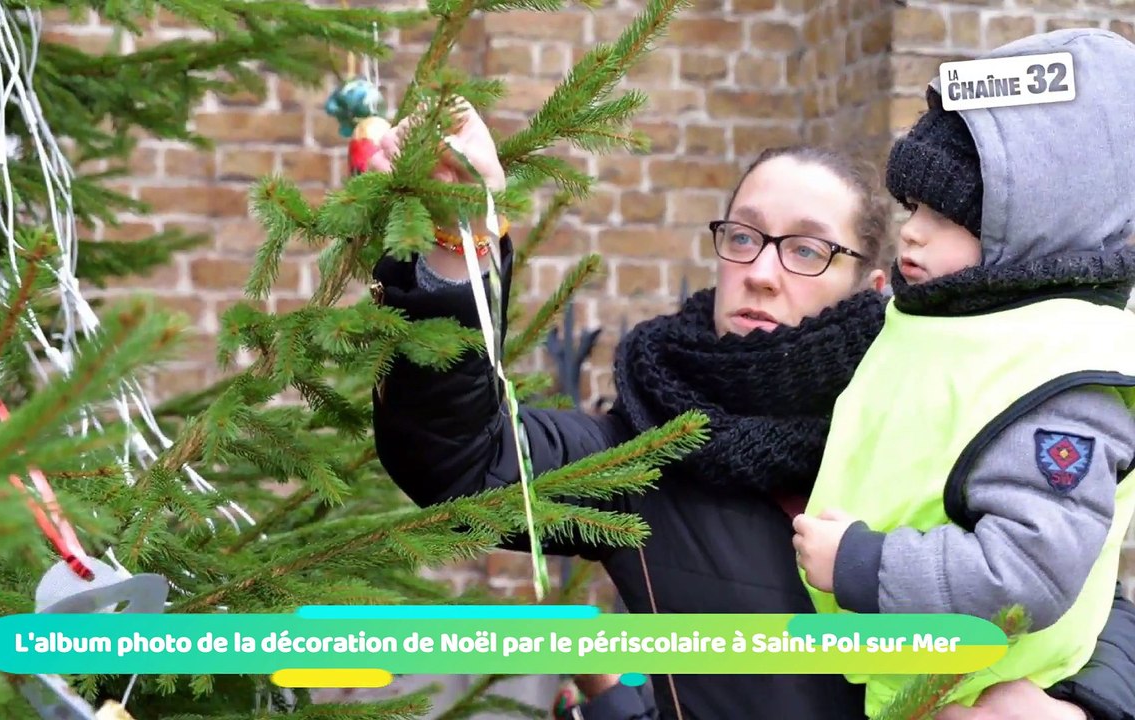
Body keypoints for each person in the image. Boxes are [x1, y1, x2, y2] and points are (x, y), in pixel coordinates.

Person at [363, 98, 1135, 718]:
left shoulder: (943, 416)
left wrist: (1082, 705)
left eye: (806, 250)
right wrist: (449, 247)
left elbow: (1081, 587)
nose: (763, 272)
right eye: (744, 237)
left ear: (873, 282)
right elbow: (468, 465)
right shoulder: (648, 451)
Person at [790, 28, 1135, 717]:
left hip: (976, 692)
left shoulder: (1064, 377)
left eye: (945, 217)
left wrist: (863, 564)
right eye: (912, 207)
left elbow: (1028, 569)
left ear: (1034, 228)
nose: (912, 231)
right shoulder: (949, 320)